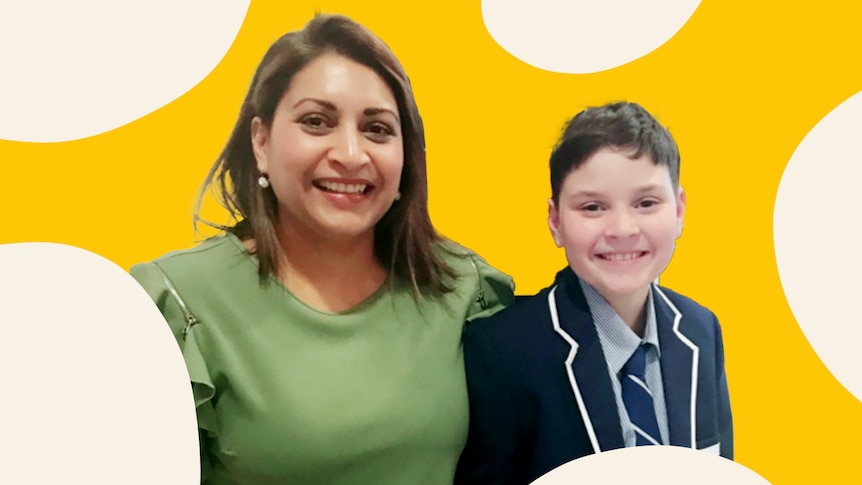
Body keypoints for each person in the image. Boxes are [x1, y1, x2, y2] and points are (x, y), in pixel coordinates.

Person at [131, 14, 514, 485]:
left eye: (377, 129)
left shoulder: (464, 290)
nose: (351, 154)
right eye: (316, 122)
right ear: (262, 141)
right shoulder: (177, 302)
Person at [455, 102, 732, 484]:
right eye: (592, 207)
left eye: (646, 203)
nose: (622, 228)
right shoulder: (503, 351)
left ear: (679, 209)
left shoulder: (702, 330)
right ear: (555, 222)